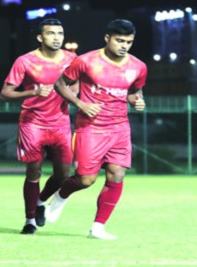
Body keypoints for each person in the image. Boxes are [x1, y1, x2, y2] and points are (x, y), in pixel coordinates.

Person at [44, 19, 147, 240]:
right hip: (91, 129)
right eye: (119, 41)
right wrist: (80, 104)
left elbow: (135, 91)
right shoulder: (86, 61)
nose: (124, 46)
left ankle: (98, 227)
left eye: (129, 42)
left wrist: (137, 100)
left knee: (117, 175)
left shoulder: (138, 66)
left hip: (120, 129)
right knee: (85, 180)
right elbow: (60, 84)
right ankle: (61, 195)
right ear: (107, 38)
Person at [0, 18, 78, 235]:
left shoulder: (72, 59)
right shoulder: (25, 61)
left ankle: (41, 201)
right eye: (51, 33)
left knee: (63, 174)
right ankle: (30, 220)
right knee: (34, 171)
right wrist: (33, 92)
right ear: (40, 37)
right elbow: (5, 94)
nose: (56, 38)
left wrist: (73, 94)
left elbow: (78, 82)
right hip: (32, 123)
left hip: (61, 124)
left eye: (60, 33)